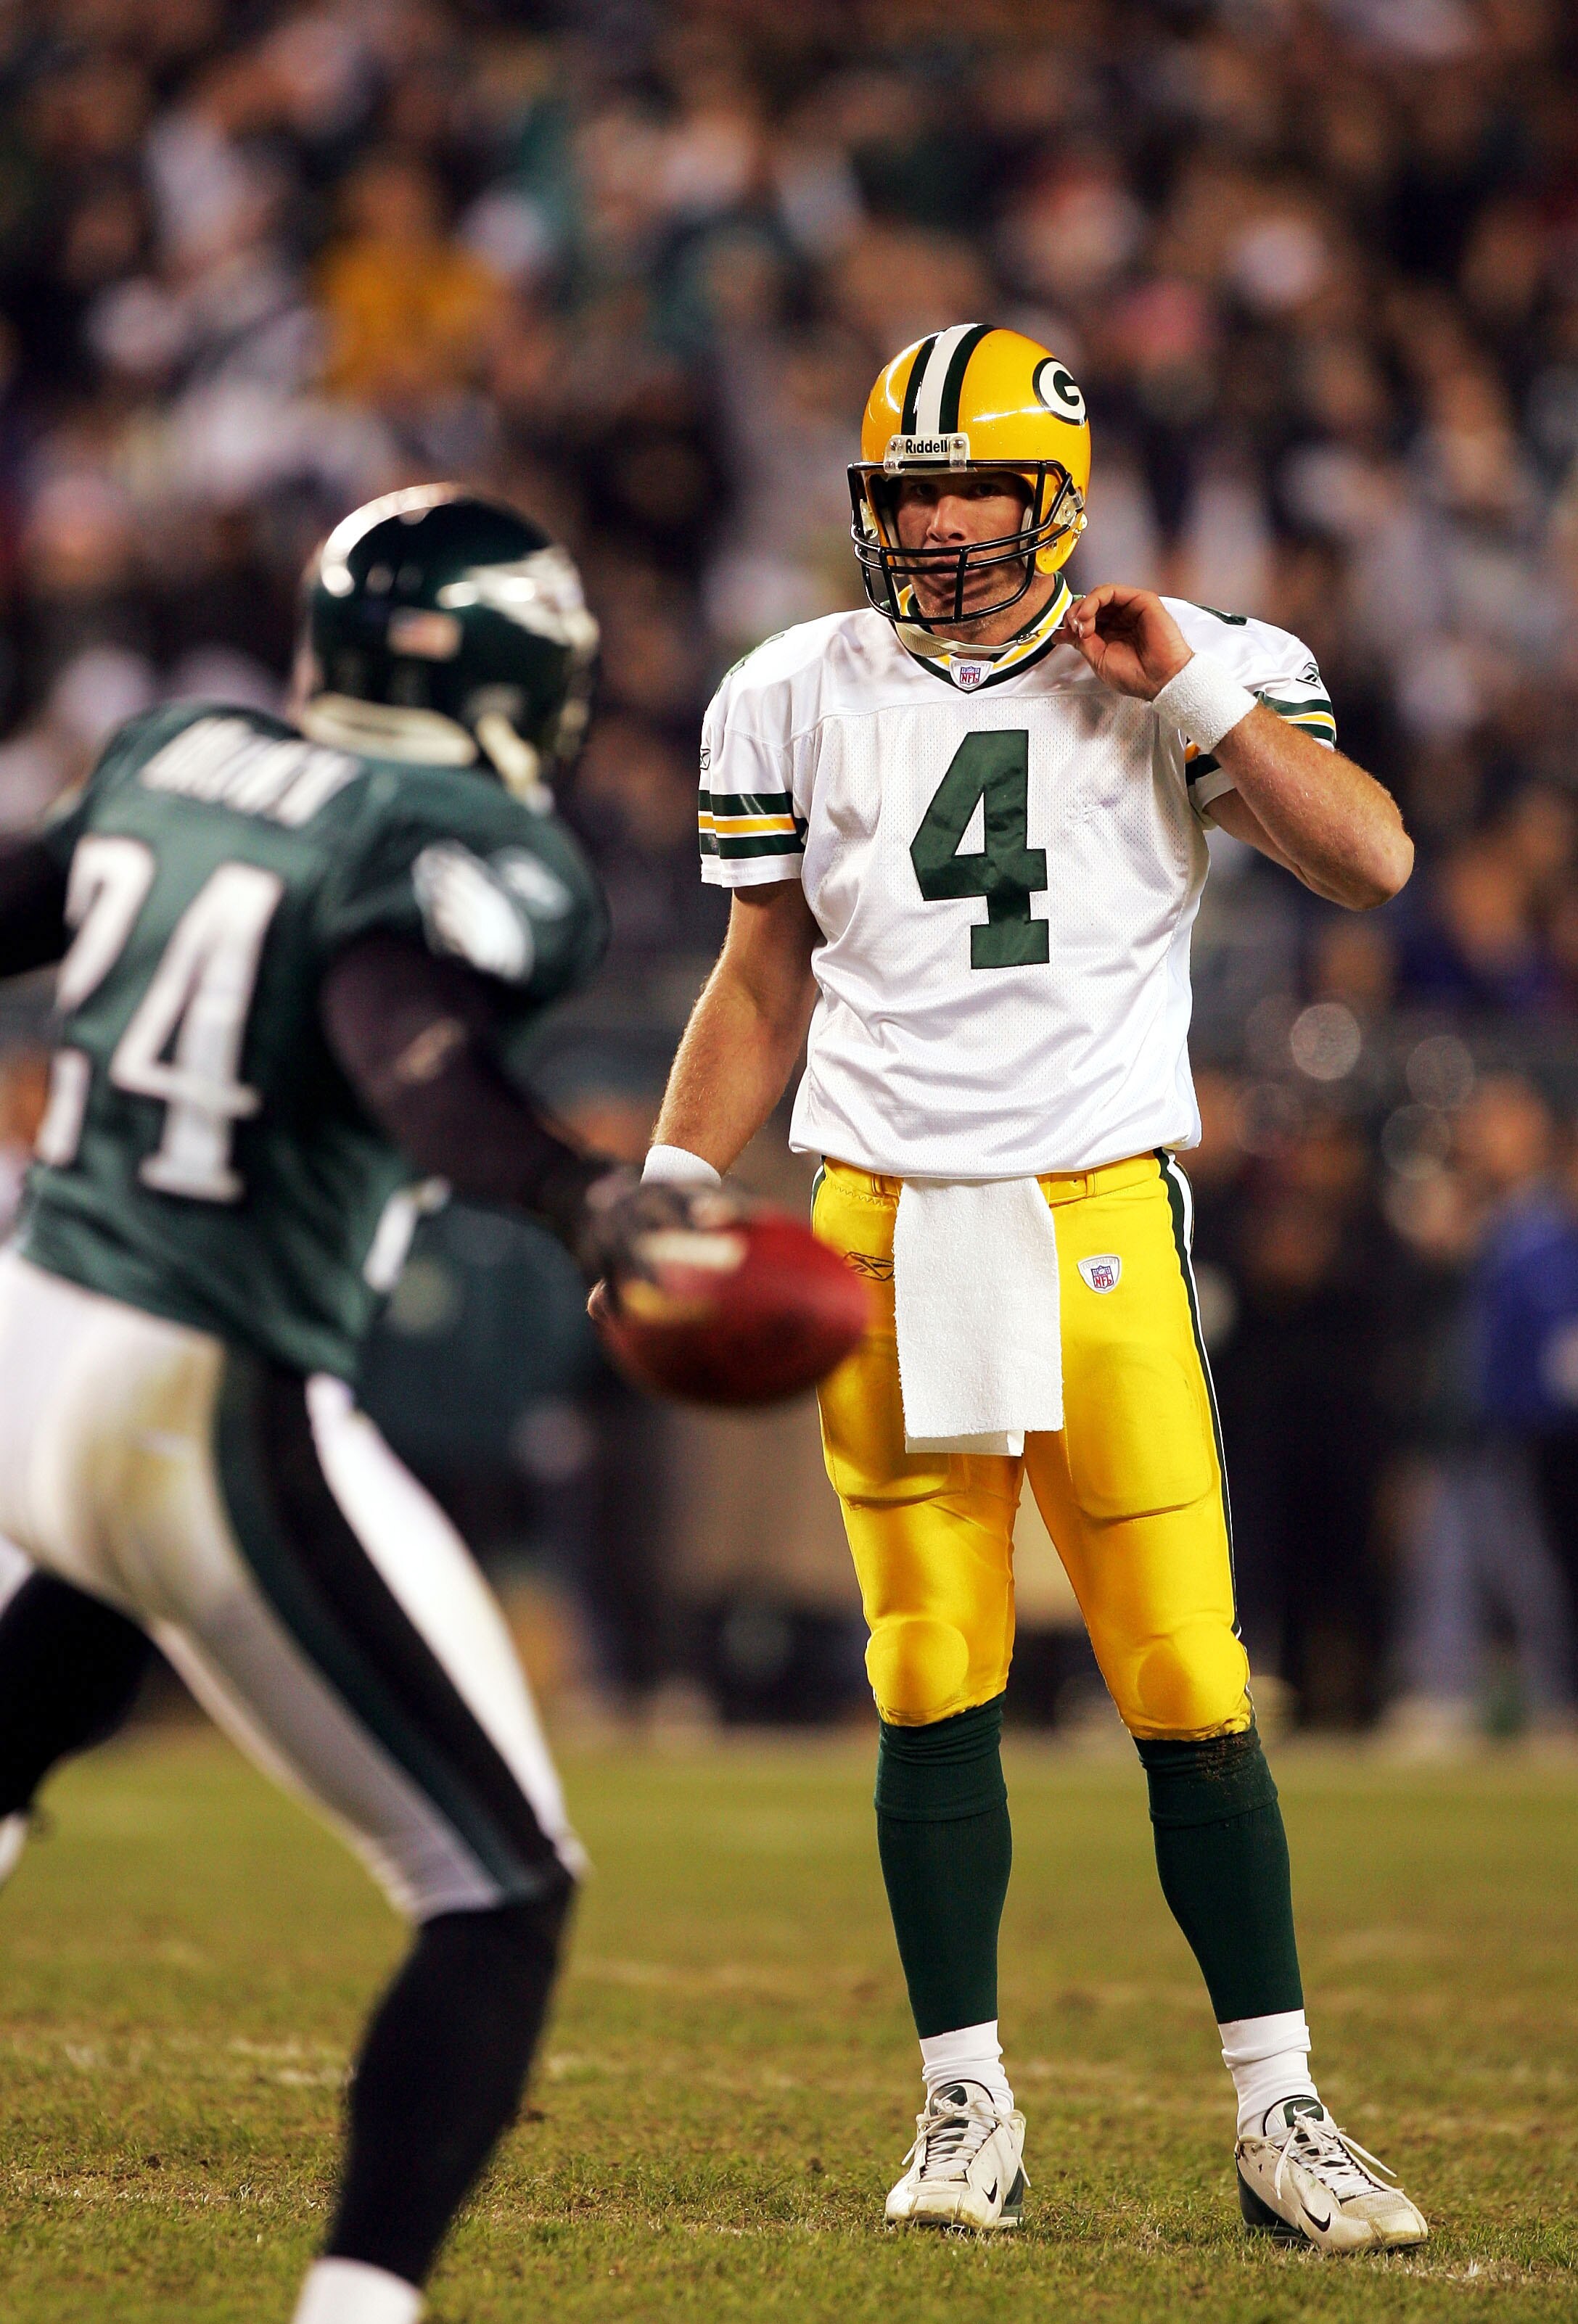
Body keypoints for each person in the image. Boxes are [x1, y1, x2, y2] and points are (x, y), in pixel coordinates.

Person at [644, 326, 1428, 2250]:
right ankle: (964, 2094)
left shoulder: (1183, 665)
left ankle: (1280, 2107)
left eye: (967, 485)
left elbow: (1373, 860)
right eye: (904, 491)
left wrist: (1210, 702)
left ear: (1052, 496)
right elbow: (761, 977)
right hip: (879, 1223)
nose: (933, 523)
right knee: (929, 1669)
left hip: (1095, 1217)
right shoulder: (788, 690)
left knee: (1185, 1669)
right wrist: (669, 1178)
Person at [0, 486, 715, 2324]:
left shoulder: (177, 751)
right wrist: (574, 1196)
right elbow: (403, 1038)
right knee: (496, 1889)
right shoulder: (455, 838)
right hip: (196, 1383)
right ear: (512, 685)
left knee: (63, 1646)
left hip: (26, 1337)